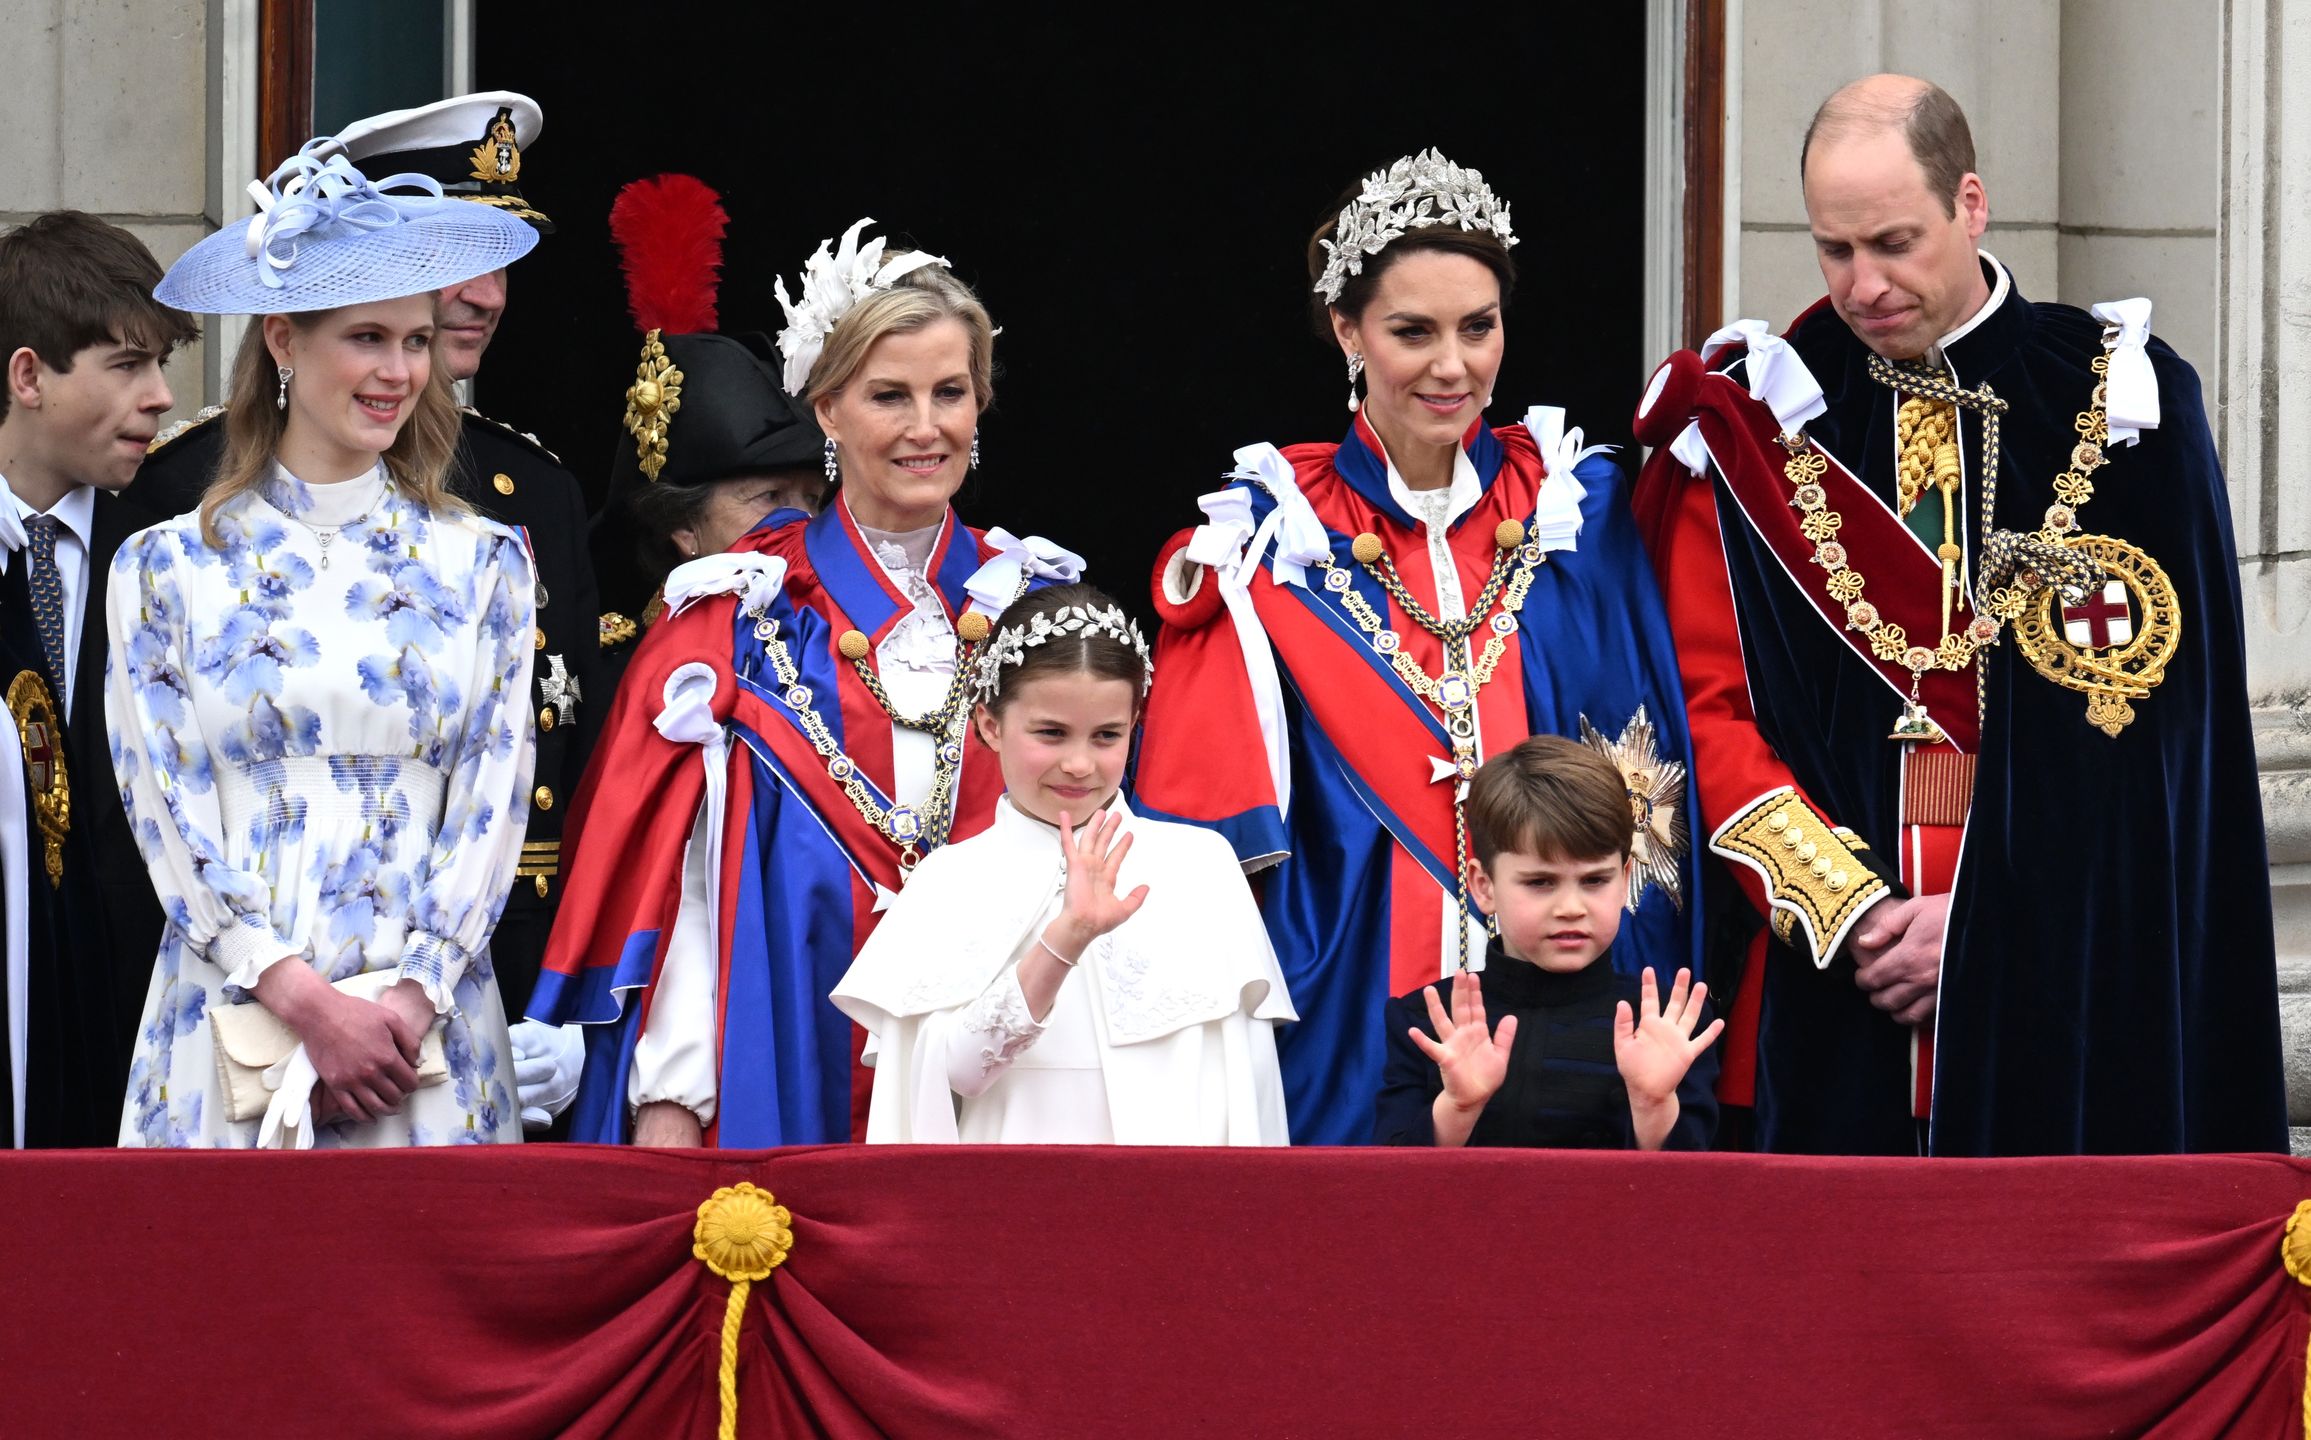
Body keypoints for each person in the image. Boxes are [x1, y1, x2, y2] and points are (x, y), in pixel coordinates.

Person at [1629, 75, 2285, 1155]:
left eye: (1894, 242)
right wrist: (1856, 913)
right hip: (1834, 987)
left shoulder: (2121, 403)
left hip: (2066, 975)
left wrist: (1988, 923)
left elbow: (2164, 739)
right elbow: (1707, 710)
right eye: (1834, 249)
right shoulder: (1758, 423)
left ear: (1969, 204)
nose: (1863, 284)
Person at [1137, 150, 1706, 1144]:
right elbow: (1209, 837)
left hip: (1566, 993)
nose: (1452, 367)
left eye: (1477, 329)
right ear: (1348, 331)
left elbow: (1641, 763)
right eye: (1413, 332)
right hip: (1351, 991)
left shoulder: (1573, 503)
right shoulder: (1271, 535)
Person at [532, 219, 1083, 1146]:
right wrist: (671, 1101)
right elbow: (686, 894)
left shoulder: (1035, 606)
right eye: (888, 396)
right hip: (788, 1043)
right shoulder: (733, 616)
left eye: (950, 392)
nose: (924, 427)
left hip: (1016, 1067)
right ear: (826, 409)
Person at [125, 93, 600, 1133]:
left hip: (422, 1034)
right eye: (367, 338)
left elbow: (493, 796)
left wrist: (407, 997)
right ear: (284, 341)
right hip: (234, 1016)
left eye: (416, 341)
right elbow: (168, 813)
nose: (398, 372)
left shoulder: (484, 562)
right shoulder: (167, 565)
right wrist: (296, 997)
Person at [832, 584, 1293, 1143]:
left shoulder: (1201, 865)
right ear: (990, 725)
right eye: (1051, 733)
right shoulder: (947, 883)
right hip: (1014, 1206)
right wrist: (1064, 940)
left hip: (1177, 1208)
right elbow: (949, 1079)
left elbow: (1251, 1091)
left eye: (1106, 736)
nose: (1079, 764)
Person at [0, 213, 198, 1145]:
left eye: (160, 364)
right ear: (29, 375)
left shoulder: (171, 562)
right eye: (126, 365)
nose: (161, 397)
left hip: (130, 1053)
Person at [1374, 736, 1720, 1149]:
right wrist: (1457, 1108)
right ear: (1484, 886)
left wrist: (1652, 1104)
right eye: (1540, 882)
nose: (1571, 907)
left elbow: (1694, 1197)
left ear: (1625, 877)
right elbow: (1390, 1189)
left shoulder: (1670, 1024)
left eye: (1594, 880)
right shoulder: (1427, 1022)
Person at [594, 173, 827, 684]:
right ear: (685, 529)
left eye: (813, 498)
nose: (801, 520)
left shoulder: (853, 650)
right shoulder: (621, 675)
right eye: (768, 495)